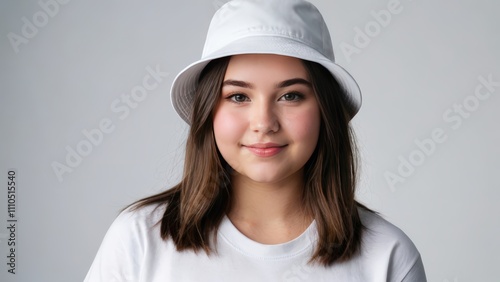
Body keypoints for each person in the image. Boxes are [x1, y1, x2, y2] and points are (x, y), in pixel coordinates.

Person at [84, 0, 427, 281]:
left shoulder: (388, 257)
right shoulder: (141, 239)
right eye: (238, 97)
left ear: (325, 110)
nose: (264, 123)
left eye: (291, 96)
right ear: (208, 111)